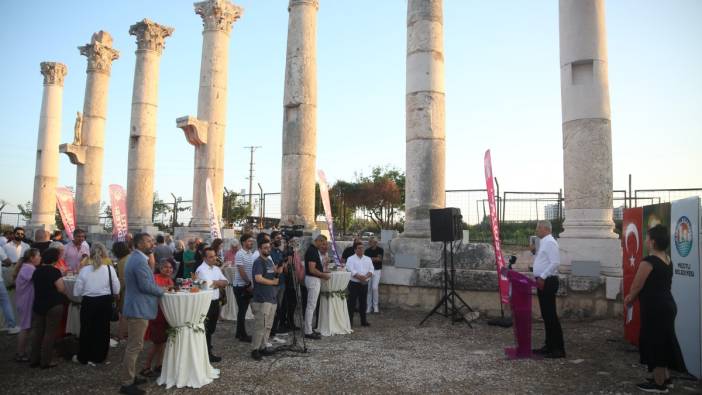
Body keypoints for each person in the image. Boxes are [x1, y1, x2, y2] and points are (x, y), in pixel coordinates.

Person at [624, 224, 687, 392]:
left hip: (655, 308)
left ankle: (659, 384)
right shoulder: (667, 259)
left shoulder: (648, 262)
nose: (645, 241)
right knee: (664, 341)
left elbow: (637, 285)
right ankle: (665, 378)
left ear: (652, 242)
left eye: (646, 238)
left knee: (656, 343)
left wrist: (629, 298)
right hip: (667, 305)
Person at [119, 233, 165, 395]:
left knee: (135, 345)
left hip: (137, 306)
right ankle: (127, 383)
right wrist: (163, 291)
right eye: (147, 241)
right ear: (138, 244)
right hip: (138, 308)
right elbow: (146, 286)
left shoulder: (137, 258)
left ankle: (130, 377)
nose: (152, 244)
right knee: (134, 346)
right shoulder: (138, 260)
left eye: (152, 241)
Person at [73, 242, 120, 366]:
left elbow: (77, 290)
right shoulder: (110, 269)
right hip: (104, 302)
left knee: (86, 329)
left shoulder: (84, 270)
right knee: (103, 330)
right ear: (104, 253)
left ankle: (84, 355)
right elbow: (116, 288)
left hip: (88, 301)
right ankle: (99, 356)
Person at [531, 220, 565, 358]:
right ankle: (549, 345)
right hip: (543, 281)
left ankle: (558, 349)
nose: (536, 231)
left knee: (550, 315)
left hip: (547, 281)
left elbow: (555, 262)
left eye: (538, 228)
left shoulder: (550, 242)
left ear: (545, 228)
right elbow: (545, 261)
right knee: (546, 315)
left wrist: (543, 277)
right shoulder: (544, 242)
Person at [30, 248, 67, 368]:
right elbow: (61, 288)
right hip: (53, 304)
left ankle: (34, 359)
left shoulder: (36, 271)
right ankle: (46, 360)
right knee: (50, 333)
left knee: (37, 332)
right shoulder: (54, 271)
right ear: (55, 259)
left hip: (38, 304)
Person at [250, 239, 283, 360]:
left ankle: (263, 347)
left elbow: (277, 271)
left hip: (271, 297)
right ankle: (255, 349)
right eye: (265, 248)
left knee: (268, 325)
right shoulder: (258, 262)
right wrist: (272, 282)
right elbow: (258, 278)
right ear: (259, 249)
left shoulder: (269, 261)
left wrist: (282, 263)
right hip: (262, 298)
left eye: (268, 248)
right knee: (260, 326)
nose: (267, 250)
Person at [141, 260, 174, 377]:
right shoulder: (155, 278)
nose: (168, 269)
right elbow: (155, 291)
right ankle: (146, 367)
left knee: (163, 341)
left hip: (165, 313)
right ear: (160, 268)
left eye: (170, 267)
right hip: (156, 313)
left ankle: (158, 365)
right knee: (157, 343)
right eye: (165, 267)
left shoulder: (170, 279)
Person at [196, 247, 229, 363]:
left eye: (214, 255)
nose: (214, 258)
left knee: (212, 328)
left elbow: (226, 282)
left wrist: (216, 283)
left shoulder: (216, 269)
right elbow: (206, 286)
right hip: (205, 302)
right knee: (206, 328)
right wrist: (217, 283)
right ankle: (207, 354)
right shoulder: (201, 270)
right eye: (210, 256)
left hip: (215, 301)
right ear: (204, 258)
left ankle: (207, 349)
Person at [13, 248, 41, 361]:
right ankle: (20, 353)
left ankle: (21, 351)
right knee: (25, 327)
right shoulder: (28, 268)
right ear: (32, 258)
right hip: (25, 301)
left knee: (26, 327)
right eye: (38, 256)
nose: (40, 258)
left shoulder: (27, 267)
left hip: (24, 300)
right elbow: (37, 280)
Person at [304, 234, 331, 340]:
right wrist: (323, 275)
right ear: (318, 241)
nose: (323, 246)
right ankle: (308, 331)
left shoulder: (313, 250)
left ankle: (309, 328)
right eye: (323, 243)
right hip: (313, 279)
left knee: (311, 306)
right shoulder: (312, 251)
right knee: (311, 306)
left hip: (313, 279)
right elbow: (312, 269)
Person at [233, 233, 255, 342]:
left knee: (243, 310)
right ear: (243, 242)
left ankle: (239, 333)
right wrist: (249, 283)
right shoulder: (239, 254)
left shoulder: (251, 253)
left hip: (247, 285)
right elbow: (241, 271)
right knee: (242, 310)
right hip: (241, 286)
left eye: (252, 241)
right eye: (249, 241)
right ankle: (242, 334)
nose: (251, 243)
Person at [346, 242, 373, 327]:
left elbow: (371, 270)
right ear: (355, 249)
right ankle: (349, 322)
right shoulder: (350, 259)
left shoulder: (368, 259)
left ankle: (363, 321)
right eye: (359, 248)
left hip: (364, 283)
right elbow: (351, 270)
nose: (361, 249)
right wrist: (360, 278)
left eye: (362, 248)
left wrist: (365, 277)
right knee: (351, 303)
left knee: (363, 303)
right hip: (354, 283)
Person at [112, 241, 131, 340]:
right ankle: (127, 332)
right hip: (133, 289)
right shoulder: (130, 257)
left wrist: (117, 292)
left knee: (123, 313)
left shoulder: (122, 262)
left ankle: (121, 334)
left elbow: (122, 279)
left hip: (126, 291)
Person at [364, 237, 383, 314]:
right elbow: (366, 261)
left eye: (372, 241)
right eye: (370, 241)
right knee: (368, 289)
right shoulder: (367, 251)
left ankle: (375, 306)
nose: (370, 243)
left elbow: (379, 259)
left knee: (374, 287)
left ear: (375, 242)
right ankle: (369, 306)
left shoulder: (380, 250)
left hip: (377, 270)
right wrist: (374, 259)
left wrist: (370, 259)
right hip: (368, 271)